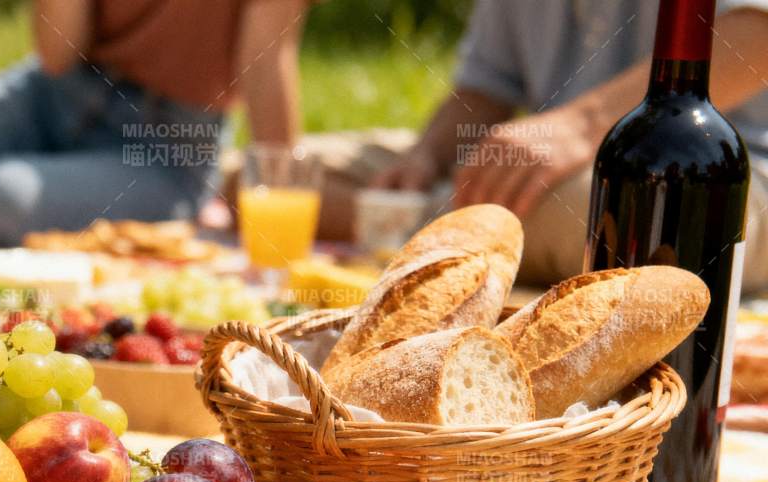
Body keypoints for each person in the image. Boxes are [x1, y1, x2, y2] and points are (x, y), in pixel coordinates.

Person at [314, 0, 768, 289]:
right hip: (541, 165)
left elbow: (758, 32)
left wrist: (580, 125)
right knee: (283, 172)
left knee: (611, 215)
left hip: (715, 174)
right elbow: (486, 86)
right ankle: (430, 221)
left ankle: (404, 226)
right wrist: (427, 154)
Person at [0, 0, 310, 249]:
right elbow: (56, 56)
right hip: (52, 93)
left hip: (167, 145)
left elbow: (266, 60)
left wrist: (282, 199)